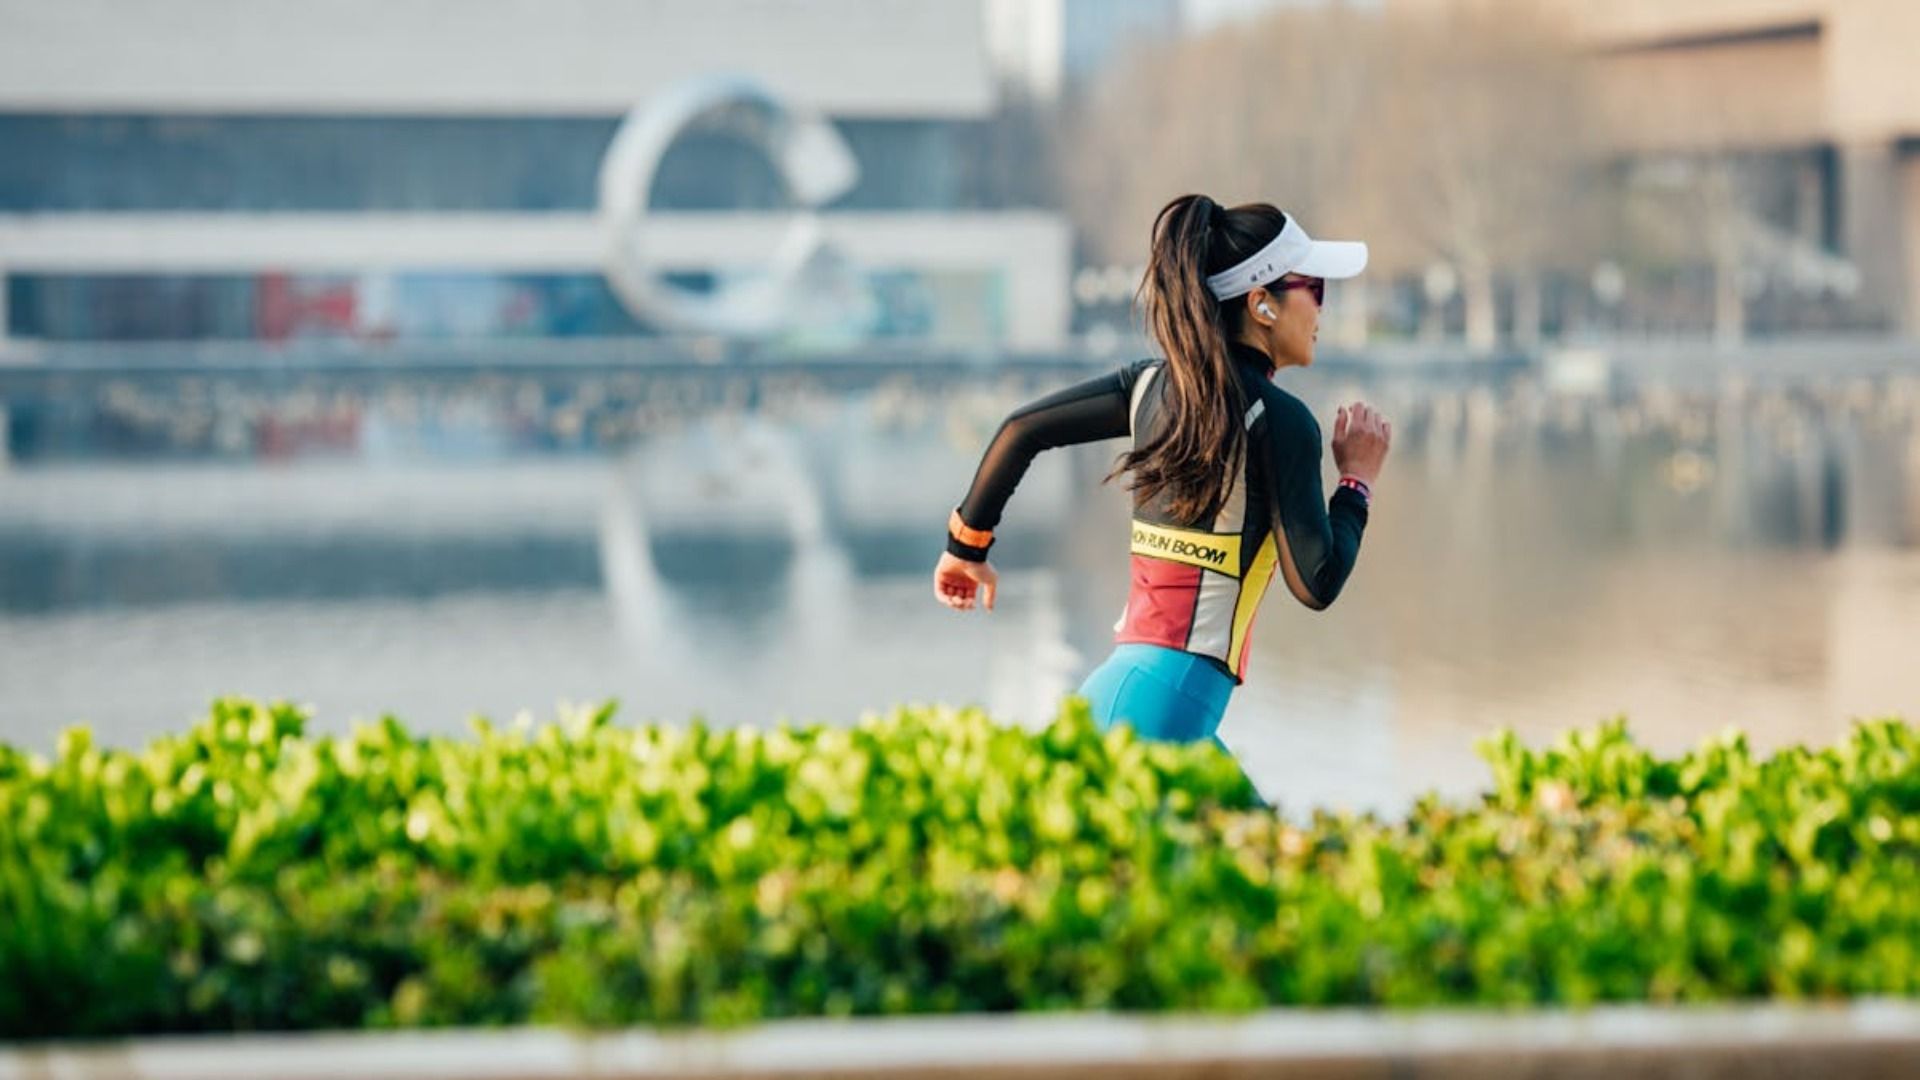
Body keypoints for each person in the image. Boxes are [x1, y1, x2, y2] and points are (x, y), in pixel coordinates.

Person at [932, 194, 1392, 766]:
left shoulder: (1147, 388)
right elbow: (1316, 583)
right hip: (1162, 710)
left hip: (1140, 696)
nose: (1323, 310)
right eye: (1315, 291)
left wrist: (965, 546)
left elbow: (1021, 429)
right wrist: (1357, 482)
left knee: (1270, 852)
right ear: (1262, 305)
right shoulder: (1283, 422)